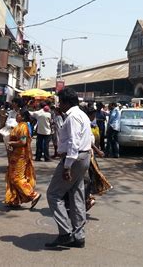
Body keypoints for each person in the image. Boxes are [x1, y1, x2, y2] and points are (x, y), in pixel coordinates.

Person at [45, 88, 92, 249]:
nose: (59, 104)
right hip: (83, 157)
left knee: (53, 194)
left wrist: (67, 166)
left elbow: (73, 142)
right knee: (76, 195)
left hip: (74, 159)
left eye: (60, 101)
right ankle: (79, 235)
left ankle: (65, 233)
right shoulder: (82, 115)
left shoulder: (73, 117)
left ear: (66, 102)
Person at [4, 109, 41, 209]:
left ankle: (33, 194)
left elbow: (23, 141)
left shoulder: (23, 126)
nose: (17, 116)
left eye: (19, 114)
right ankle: (14, 200)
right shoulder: (18, 126)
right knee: (11, 177)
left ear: (23, 117)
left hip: (21, 156)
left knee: (17, 178)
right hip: (14, 155)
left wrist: (12, 143)